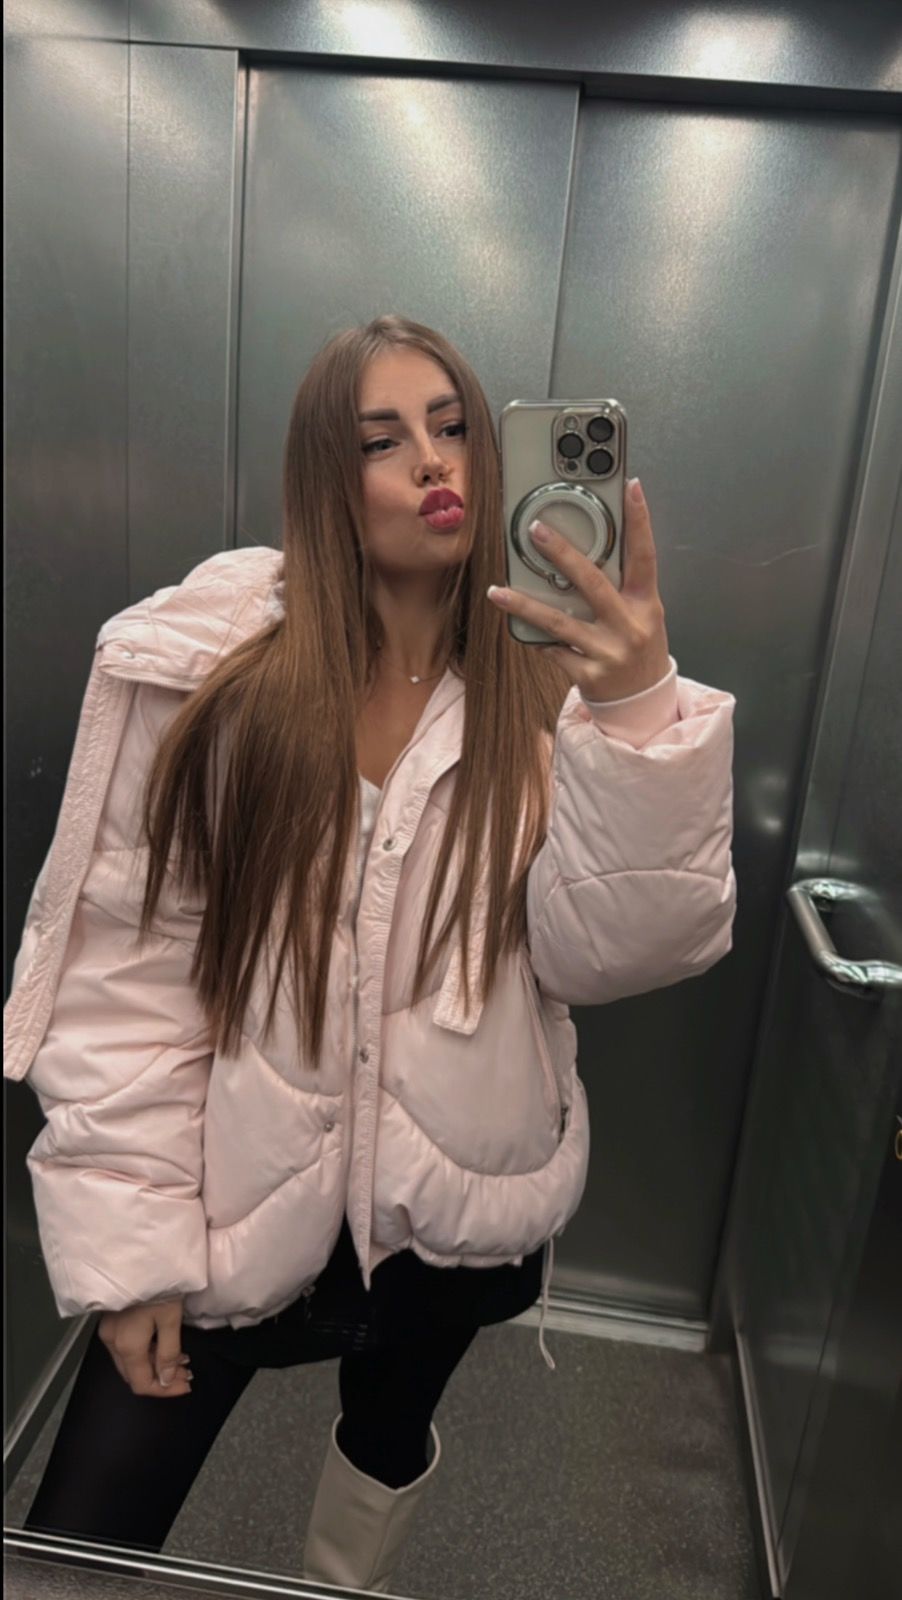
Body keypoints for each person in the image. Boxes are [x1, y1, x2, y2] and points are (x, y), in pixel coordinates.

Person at [3, 314, 737, 1590]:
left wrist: (632, 709)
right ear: (321, 479)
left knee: (386, 1434)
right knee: (80, 1534)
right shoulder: (213, 680)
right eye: (380, 440)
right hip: (236, 1198)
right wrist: (131, 1245)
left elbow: (608, 954)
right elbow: (131, 978)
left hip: (454, 1197)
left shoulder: (550, 688)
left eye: (452, 428)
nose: (431, 460)